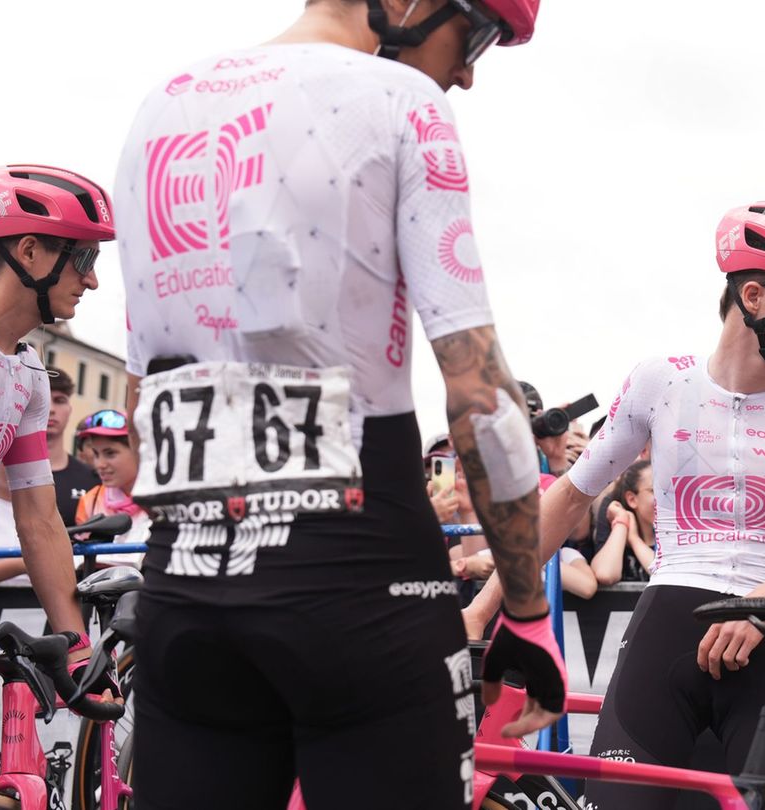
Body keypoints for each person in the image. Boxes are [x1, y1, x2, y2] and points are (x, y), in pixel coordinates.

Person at [111, 2, 562, 807]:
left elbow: (145, 390)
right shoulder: (400, 101)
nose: (467, 72)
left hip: (184, 593)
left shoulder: (158, 104)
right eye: (481, 35)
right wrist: (526, 612)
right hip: (362, 595)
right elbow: (479, 391)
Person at [468, 200, 765, 808]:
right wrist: (482, 607)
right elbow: (569, 499)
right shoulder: (662, 382)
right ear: (754, 297)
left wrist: (760, 601)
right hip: (669, 626)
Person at [0, 164, 113, 655]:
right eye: (83, 255)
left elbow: (39, 519)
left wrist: (80, 649)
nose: (94, 279)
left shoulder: (28, 375)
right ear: (29, 251)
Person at [73, 410, 148, 566]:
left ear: (138, 450)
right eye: (96, 454)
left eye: (110, 453)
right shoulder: (89, 500)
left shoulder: (162, 499)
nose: (99, 464)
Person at [44, 366, 100, 528]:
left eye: (59, 400)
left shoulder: (93, 480)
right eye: (42, 399)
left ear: (69, 409)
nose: (51, 409)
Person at [590, 460, 656, 586]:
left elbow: (670, 577)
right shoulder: (618, 532)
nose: (665, 496)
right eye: (654, 490)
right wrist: (621, 522)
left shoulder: (678, 535)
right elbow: (605, 574)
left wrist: (634, 539)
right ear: (632, 499)